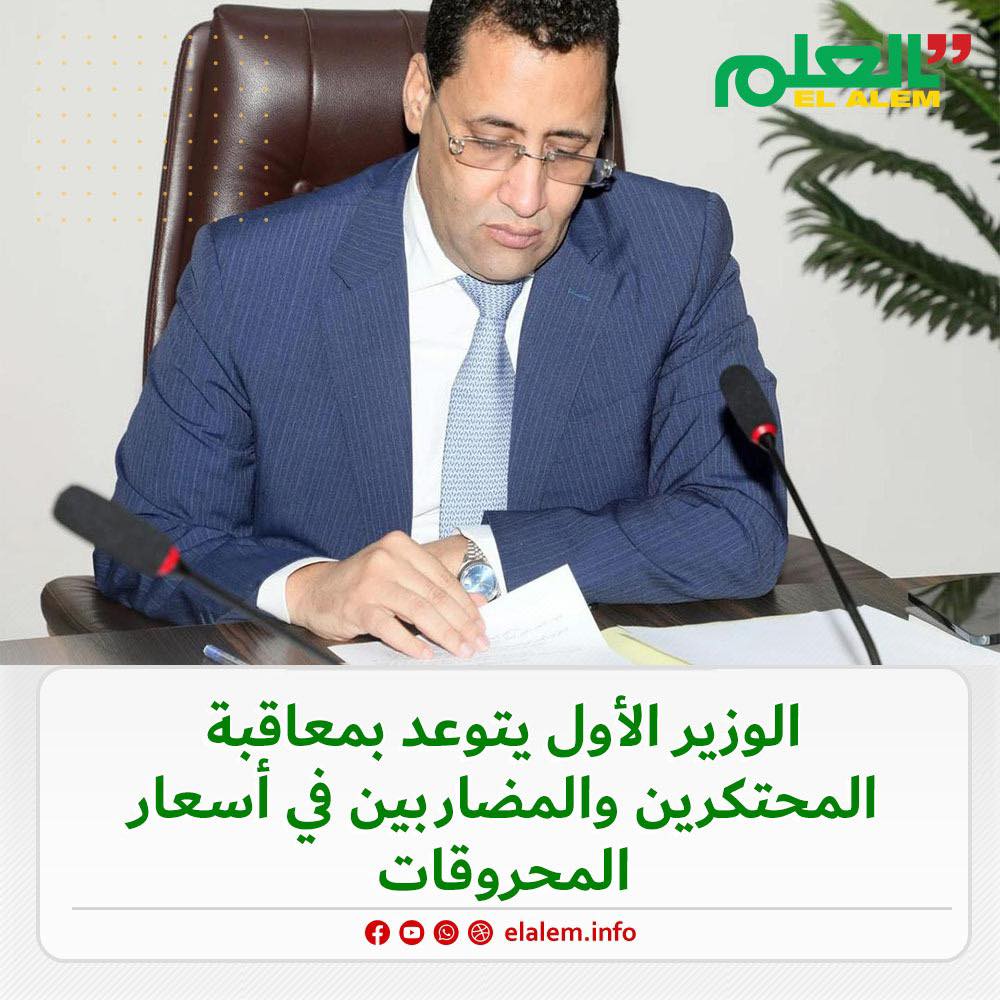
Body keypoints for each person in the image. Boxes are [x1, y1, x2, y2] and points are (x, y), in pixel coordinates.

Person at [94, 0, 787, 659]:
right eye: (490, 142)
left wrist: (491, 555)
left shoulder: (676, 251)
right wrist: (309, 589)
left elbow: (740, 521)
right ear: (419, 94)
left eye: (567, 150)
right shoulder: (253, 274)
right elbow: (143, 537)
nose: (528, 199)